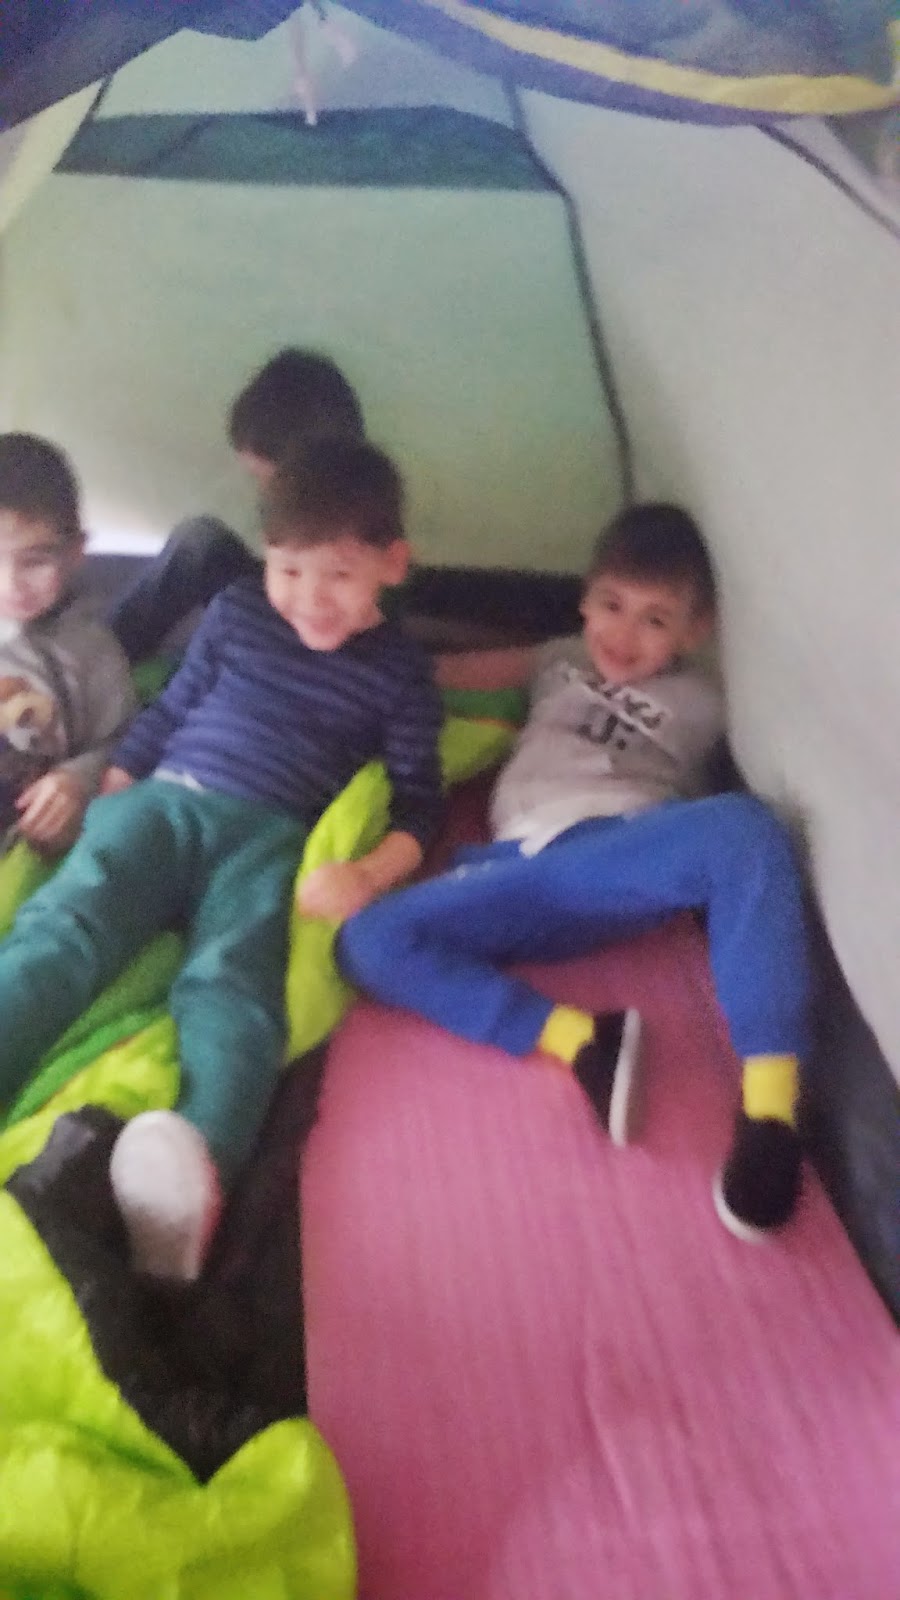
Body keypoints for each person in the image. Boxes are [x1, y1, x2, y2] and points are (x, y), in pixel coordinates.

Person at [0, 436, 444, 1281]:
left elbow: (420, 802)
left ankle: (192, 1180)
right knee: (62, 929)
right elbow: (169, 710)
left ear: (393, 564)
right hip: (167, 800)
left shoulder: (401, 675)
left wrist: (368, 873)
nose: (308, 598)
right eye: (288, 569)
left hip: (269, 834)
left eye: (338, 575)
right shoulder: (239, 611)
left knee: (232, 989)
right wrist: (114, 789)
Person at [338, 503, 812, 1242]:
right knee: (366, 939)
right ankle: (583, 1040)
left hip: (622, 851)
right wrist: (341, 643)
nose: (624, 634)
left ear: (694, 633)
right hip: (520, 869)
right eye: (611, 605)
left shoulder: (705, 698)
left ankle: (771, 1113)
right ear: (584, 600)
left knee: (748, 829)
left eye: (656, 620)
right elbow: (438, 674)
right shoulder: (556, 657)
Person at [106, 349, 365, 663]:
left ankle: (95, 662)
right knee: (199, 541)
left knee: (200, 546)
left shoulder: (360, 516)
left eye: (265, 479)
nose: (261, 490)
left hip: (305, 630)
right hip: (275, 603)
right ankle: (97, 657)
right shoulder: (297, 502)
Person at [0, 433, 135, 854]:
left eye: (34, 562)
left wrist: (76, 779)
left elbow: (122, 742)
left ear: (75, 552)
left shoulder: (93, 650)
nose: (10, 584)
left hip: (30, 812)